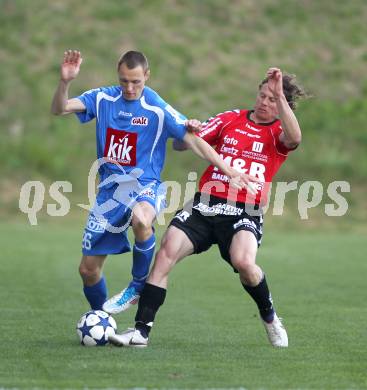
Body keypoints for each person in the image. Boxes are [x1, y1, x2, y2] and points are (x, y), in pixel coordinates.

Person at [108, 67, 305, 348]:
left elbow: (295, 138)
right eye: (262, 95)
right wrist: (188, 131)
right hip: (205, 204)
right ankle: (140, 332)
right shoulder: (229, 119)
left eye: (272, 99)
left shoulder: (278, 133)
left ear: (282, 105)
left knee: (245, 263)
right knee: (165, 253)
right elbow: (181, 145)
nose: (264, 102)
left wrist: (280, 97)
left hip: (244, 210)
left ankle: (270, 317)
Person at [51, 50, 247, 314]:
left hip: (145, 186)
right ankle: (101, 317)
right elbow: (59, 108)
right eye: (124, 81)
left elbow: (193, 141)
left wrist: (229, 171)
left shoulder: (157, 108)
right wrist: (65, 82)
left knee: (142, 219)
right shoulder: (102, 98)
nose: (130, 88)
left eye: (136, 82)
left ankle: (138, 284)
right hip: (110, 194)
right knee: (87, 270)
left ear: (147, 76)